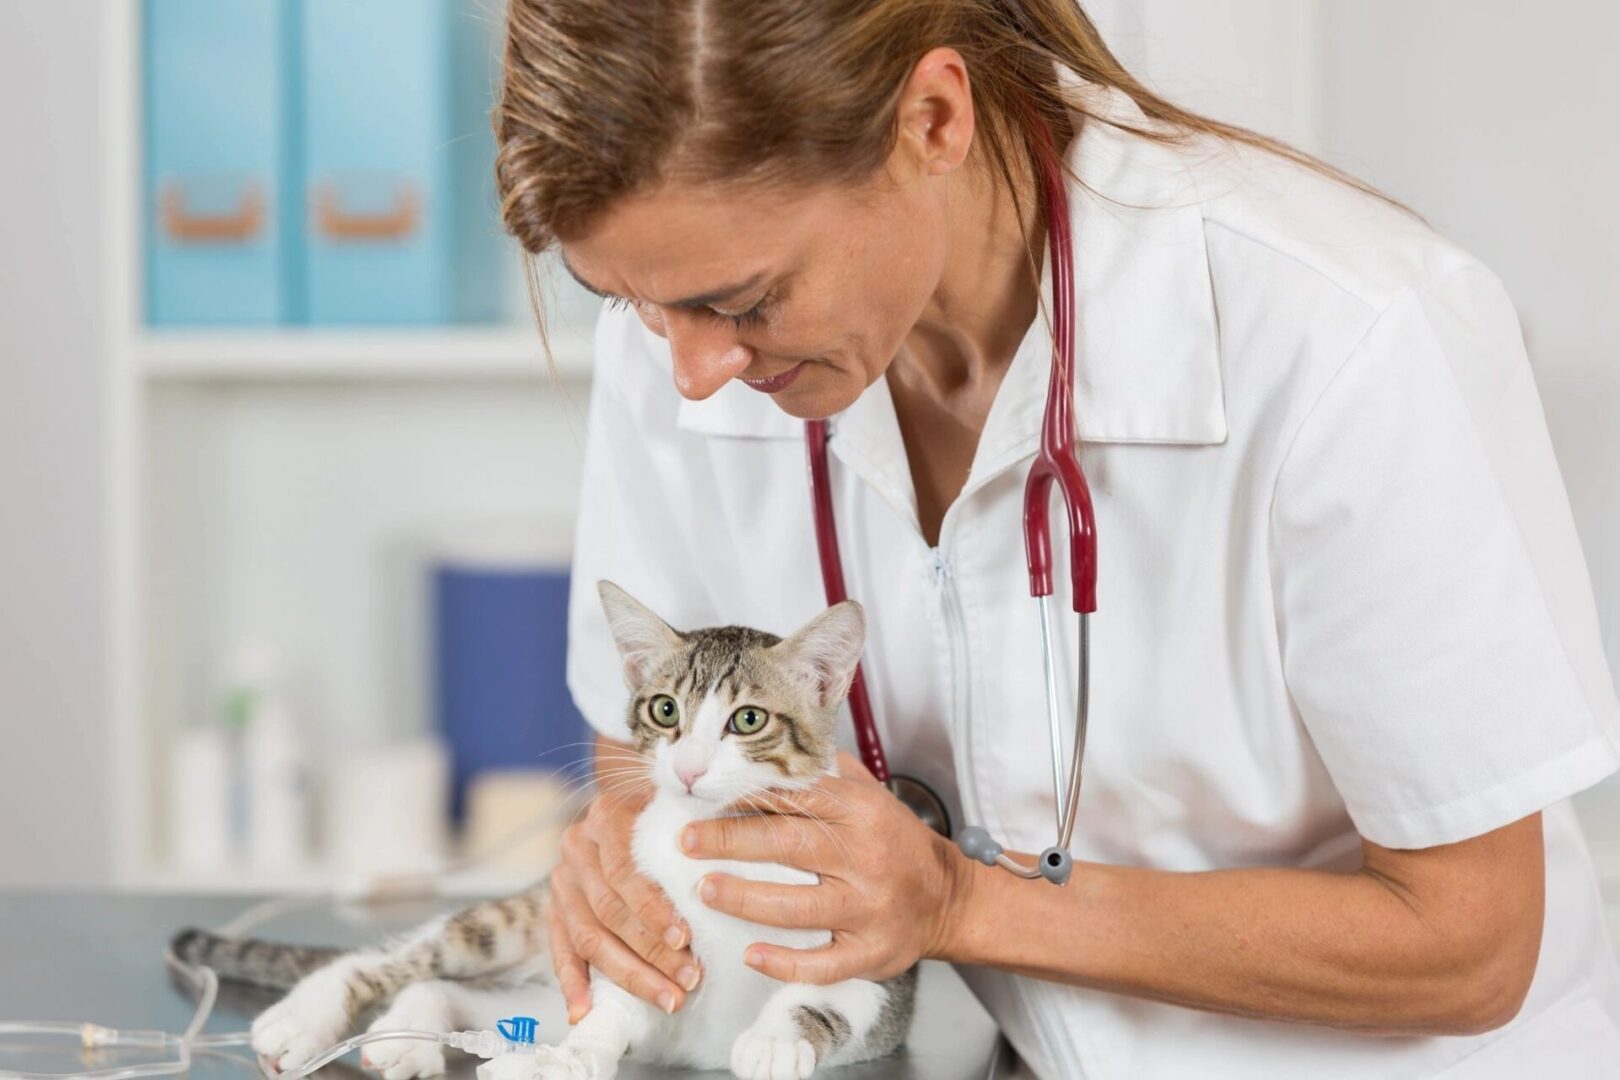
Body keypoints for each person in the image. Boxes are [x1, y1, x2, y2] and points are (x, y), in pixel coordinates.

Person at [491, 1, 1620, 1075]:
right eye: (627, 302)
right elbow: (639, 767)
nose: (692, 371)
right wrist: (626, 859)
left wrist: (964, 903)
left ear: (932, 119)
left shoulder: (1346, 333)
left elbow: (1471, 944)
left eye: (746, 301)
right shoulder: (680, 326)